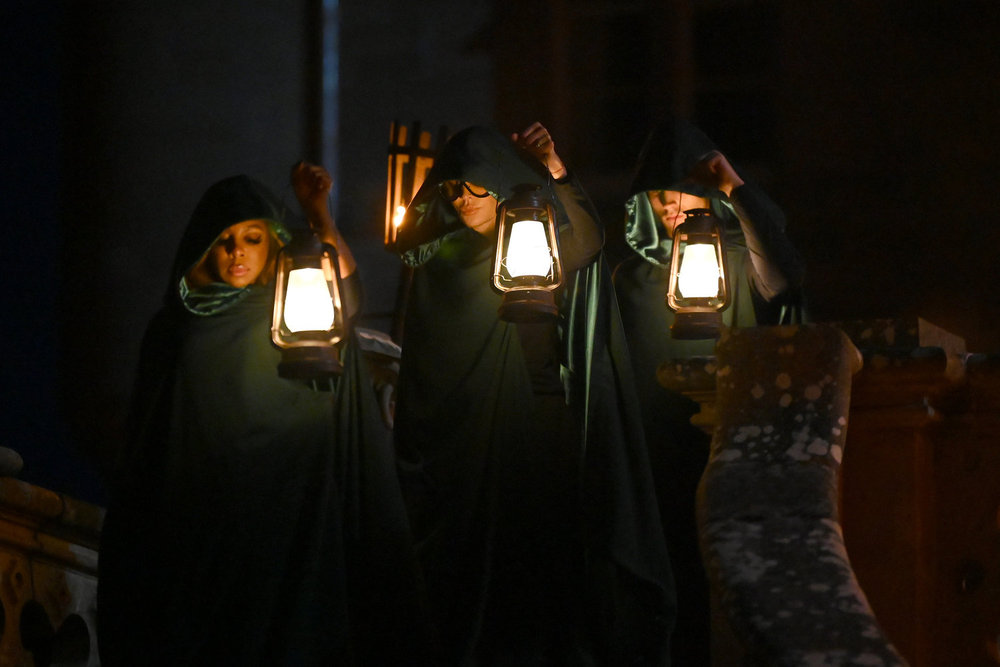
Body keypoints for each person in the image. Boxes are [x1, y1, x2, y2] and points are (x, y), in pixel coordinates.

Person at [97, 163, 428, 666]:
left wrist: (318, 215)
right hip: (200, 516)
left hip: (288, 509)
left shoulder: (295, 309)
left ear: (271, 243)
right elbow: (150, 440)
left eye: (251, 238)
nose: (237, 253)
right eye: (226, 240)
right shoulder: (174, 330)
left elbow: (348, 295)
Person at [392, 123, 676, 665]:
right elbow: (426, 362)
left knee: (538, 557)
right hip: (460, 439)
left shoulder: (535, 241)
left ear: (500, 185)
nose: (464, 198)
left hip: (534, 423)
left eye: (477, 185)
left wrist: (552, 169)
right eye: (453, 188)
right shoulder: (438, 258)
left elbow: (586, 242)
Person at [613, 116, 805, 666]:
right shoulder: (632, 281)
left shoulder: (744, 264)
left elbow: (788, 274)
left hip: (728, 449)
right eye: (658, 198)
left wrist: (734, 188)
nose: (671, 206)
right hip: (655, 455)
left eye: (681, 192)